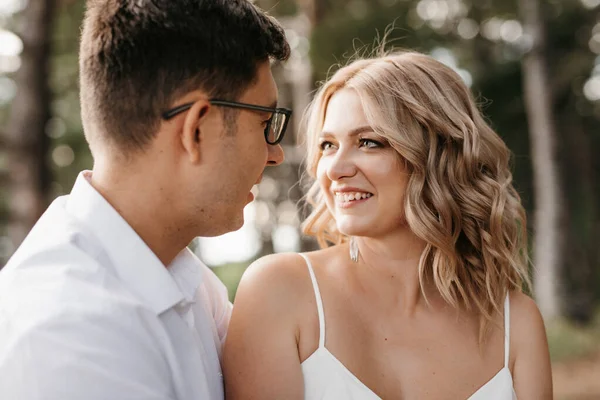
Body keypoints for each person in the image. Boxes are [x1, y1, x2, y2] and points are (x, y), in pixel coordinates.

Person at [0, 1, 290, 399]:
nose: (276, 155)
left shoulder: (185, 277)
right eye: (264, 123)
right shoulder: (69, 337)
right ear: (196, 129)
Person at [223, 51, 553, 399]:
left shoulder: (516, 324)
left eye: (369, 142)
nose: (335, 169)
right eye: (328, 145)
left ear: (437, 155)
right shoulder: (281, 292)